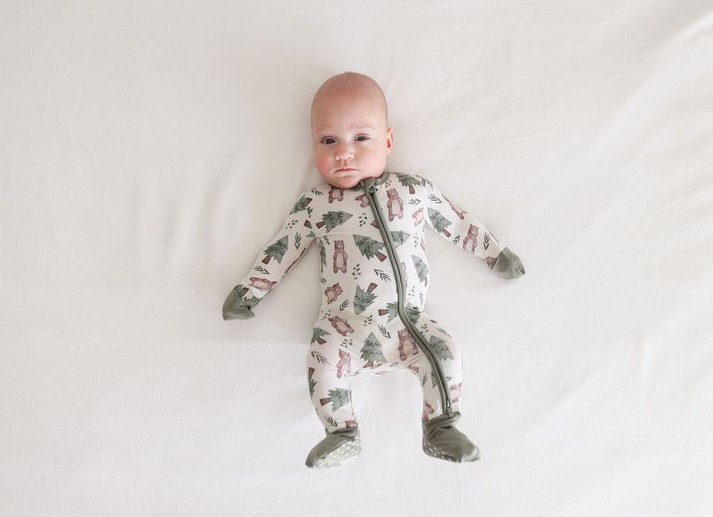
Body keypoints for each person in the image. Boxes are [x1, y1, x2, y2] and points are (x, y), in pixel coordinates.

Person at [223, 72, 526, 468]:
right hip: (342, 327)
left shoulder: (413, 191)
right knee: (320, 360)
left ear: (388, 141)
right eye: (328, 141)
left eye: (360, 138)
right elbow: (282, 249)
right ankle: (341, 431)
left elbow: (456, 222)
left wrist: (496, 255)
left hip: (409, 325)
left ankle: (440, 425)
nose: (343, 153)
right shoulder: (315, 205)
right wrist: (249, 292)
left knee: (445, 351)